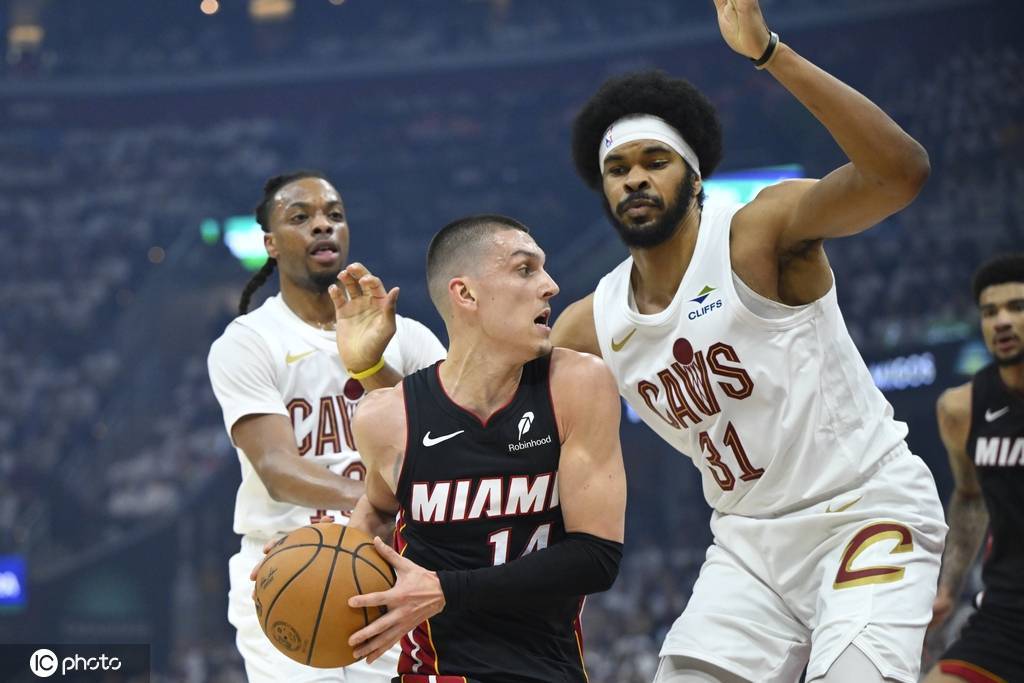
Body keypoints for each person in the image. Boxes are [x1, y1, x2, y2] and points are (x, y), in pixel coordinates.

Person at [549, 1, 947, 681]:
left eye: (655, 160)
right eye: (617, 168)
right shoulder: (590, 325)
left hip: (864, 508)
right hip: (747, 544)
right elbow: (489, 412)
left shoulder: (757, 234)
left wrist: (770, 54)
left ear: (694, 176)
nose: (635, 177)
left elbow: (900, 172)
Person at [338, 215, 627, 683]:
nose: (551, 286)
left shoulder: (577, 383)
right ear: (466, 294)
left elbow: (596, 558)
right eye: (525, 269)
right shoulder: (385, 417)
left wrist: (445, 590)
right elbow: (376, 513)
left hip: (546, 671)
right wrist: (320, 558)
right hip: (433, 673)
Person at [207, 170, 446, 683]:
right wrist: (373, 505)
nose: (322, 225)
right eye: (301, 217)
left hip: (392, 566)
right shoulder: (249, 341)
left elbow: (450, 440)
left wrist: (374, 364)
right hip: (289, 563)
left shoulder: (408, 337)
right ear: (270, 243)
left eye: (334, 215)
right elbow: (277, 468)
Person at [924, 255, 1024, 683]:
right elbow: (969, 498)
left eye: (1017, 307)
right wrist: (948, 587)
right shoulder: (960, 409)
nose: (1002, 321)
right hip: (1006, 614)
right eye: (990, 312)